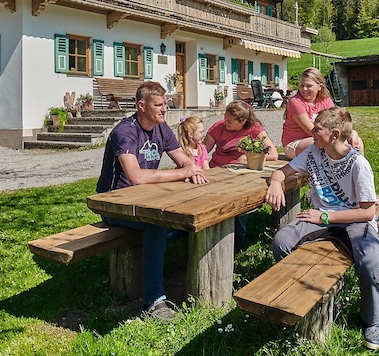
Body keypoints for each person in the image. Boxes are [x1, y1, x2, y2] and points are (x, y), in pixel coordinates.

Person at [266, 107, 379, 350]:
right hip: (321, 218)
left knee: (372, 263)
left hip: (353, 221)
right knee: (282, 241)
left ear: (334, 134)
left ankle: (372, 323)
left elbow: (368, 212)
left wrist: (325, 216)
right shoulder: (313, 151)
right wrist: (276, 183)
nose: (311, 133)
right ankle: (302, 297)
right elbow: (281, 172)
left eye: (317, 130)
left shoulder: (358, 164)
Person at [96, 81, 207, 322]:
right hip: (115, 205)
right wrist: (183, 173)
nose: (164, 109)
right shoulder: (124, 131)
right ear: (141, 106)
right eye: (158, 105)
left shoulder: (162, 127)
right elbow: (135, 177)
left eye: (165, 104)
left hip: (147, 200)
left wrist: (191, 169)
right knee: (157, 223)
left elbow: (186, 160)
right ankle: (153, 302)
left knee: (192, 212)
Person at [203, 100, 278, 250]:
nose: (225, 123)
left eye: (230, 121)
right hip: (218, 170)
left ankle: (237, 237)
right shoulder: (218, 127)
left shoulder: (254, 128)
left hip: (240, 173)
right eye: (225, 118)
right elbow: (204, 151)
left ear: (242, 121)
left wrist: (248, 156)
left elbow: (273, 153)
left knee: (239, 198)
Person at [282, 67, 364, 159]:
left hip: (321, 137)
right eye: (301, 86)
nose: (304, 89)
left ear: (320, 87)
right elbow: (312, 131)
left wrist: (351, 133)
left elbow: (337, 122)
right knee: (327, 144)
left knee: (356, 141)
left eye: (309, 86)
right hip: (296, 143)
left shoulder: (325, 100)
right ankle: (340, 169)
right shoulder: (295, 102)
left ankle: (358, 168)